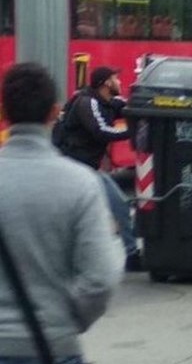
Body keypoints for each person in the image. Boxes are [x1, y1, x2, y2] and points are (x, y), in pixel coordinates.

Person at [0, 63, 123, 363]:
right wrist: (63, 323)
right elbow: (101, 279)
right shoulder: (80, 183)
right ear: (55, 113)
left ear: (3, 114)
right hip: (54, 347)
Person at [55, 66, 142, 271]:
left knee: (115, 205)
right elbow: (101, 131)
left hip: (87, 168)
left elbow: (131, 108)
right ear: (106, 83)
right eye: (116, 79)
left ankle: (129, 253)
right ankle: (129, 254)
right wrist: (132, 132)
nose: (119, 82)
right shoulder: (88, 102)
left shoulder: (110, 102)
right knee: (114, 205)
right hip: (74, 168)